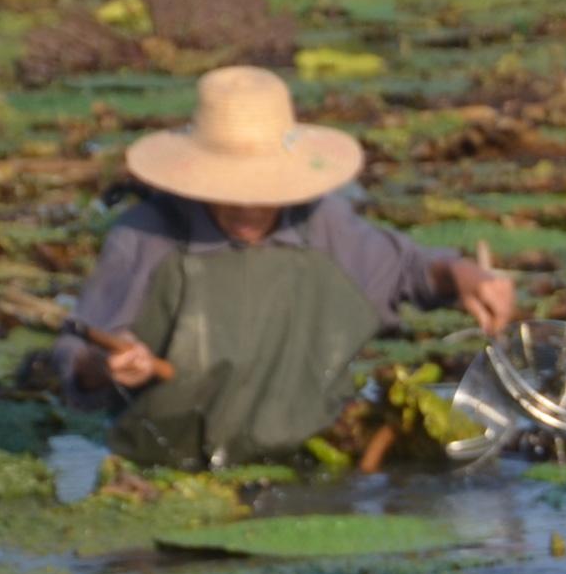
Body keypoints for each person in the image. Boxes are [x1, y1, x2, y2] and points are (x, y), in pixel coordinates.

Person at [55, 66, 513, 469]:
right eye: (229, 188)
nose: (248, 205)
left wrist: (462, 277)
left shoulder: (324, 226)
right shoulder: (147, 235)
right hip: (167, 479)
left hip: (311, 469)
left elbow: (412, 270)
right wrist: (107, 365)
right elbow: (75, 357)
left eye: (263, 189)